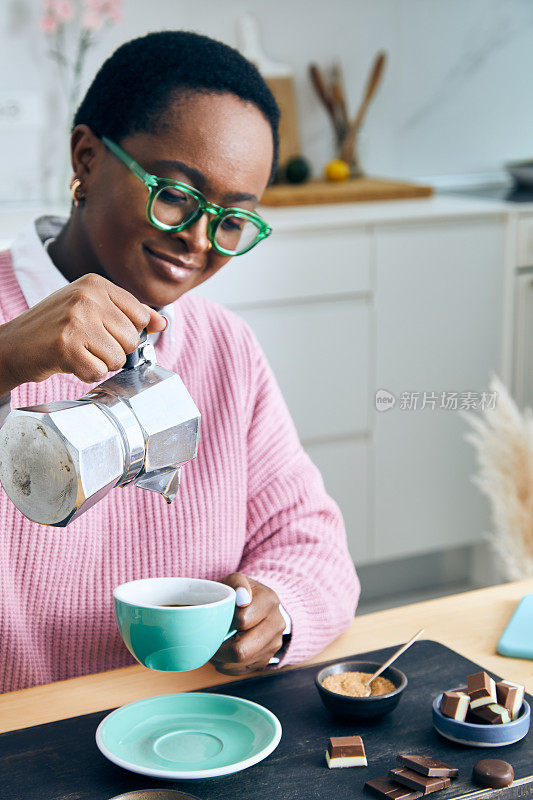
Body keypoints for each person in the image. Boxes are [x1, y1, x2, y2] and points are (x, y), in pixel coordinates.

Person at [0, 31, 359, 693]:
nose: (196, 240)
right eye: (174, 194)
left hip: (189, 726)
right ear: (86, 157)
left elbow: (312, 541)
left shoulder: (224, 348)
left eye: (230, 220)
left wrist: (277, 611)